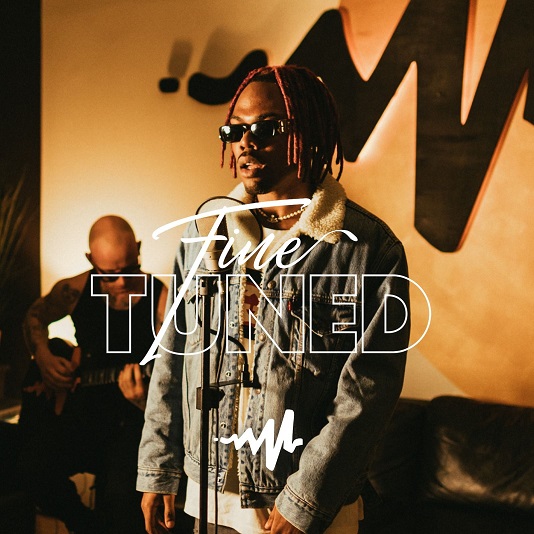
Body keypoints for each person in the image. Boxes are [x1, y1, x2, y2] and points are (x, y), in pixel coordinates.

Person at [137, 65, 410, 534]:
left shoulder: (367, 250)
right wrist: (158, 466)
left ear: (308, 133)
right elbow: (173, 356)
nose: (245, 142)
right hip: (208, 495)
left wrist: (304, 499)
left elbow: (366, 394)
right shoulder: (204, 235)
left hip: (303, 506)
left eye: (266, 128)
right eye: (235, 130)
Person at [18, 215, 168, 534]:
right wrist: (43, 356)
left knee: (121, 504)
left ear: (138, 248)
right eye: (110, 275)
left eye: (130, 269)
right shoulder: (74, 289)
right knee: (30, 467)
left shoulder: (161, 299)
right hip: (82, 415)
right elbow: (35, 316)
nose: (122, 282)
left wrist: (144, 401)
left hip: (132, 424)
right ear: (91, 260)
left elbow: (174, 377)